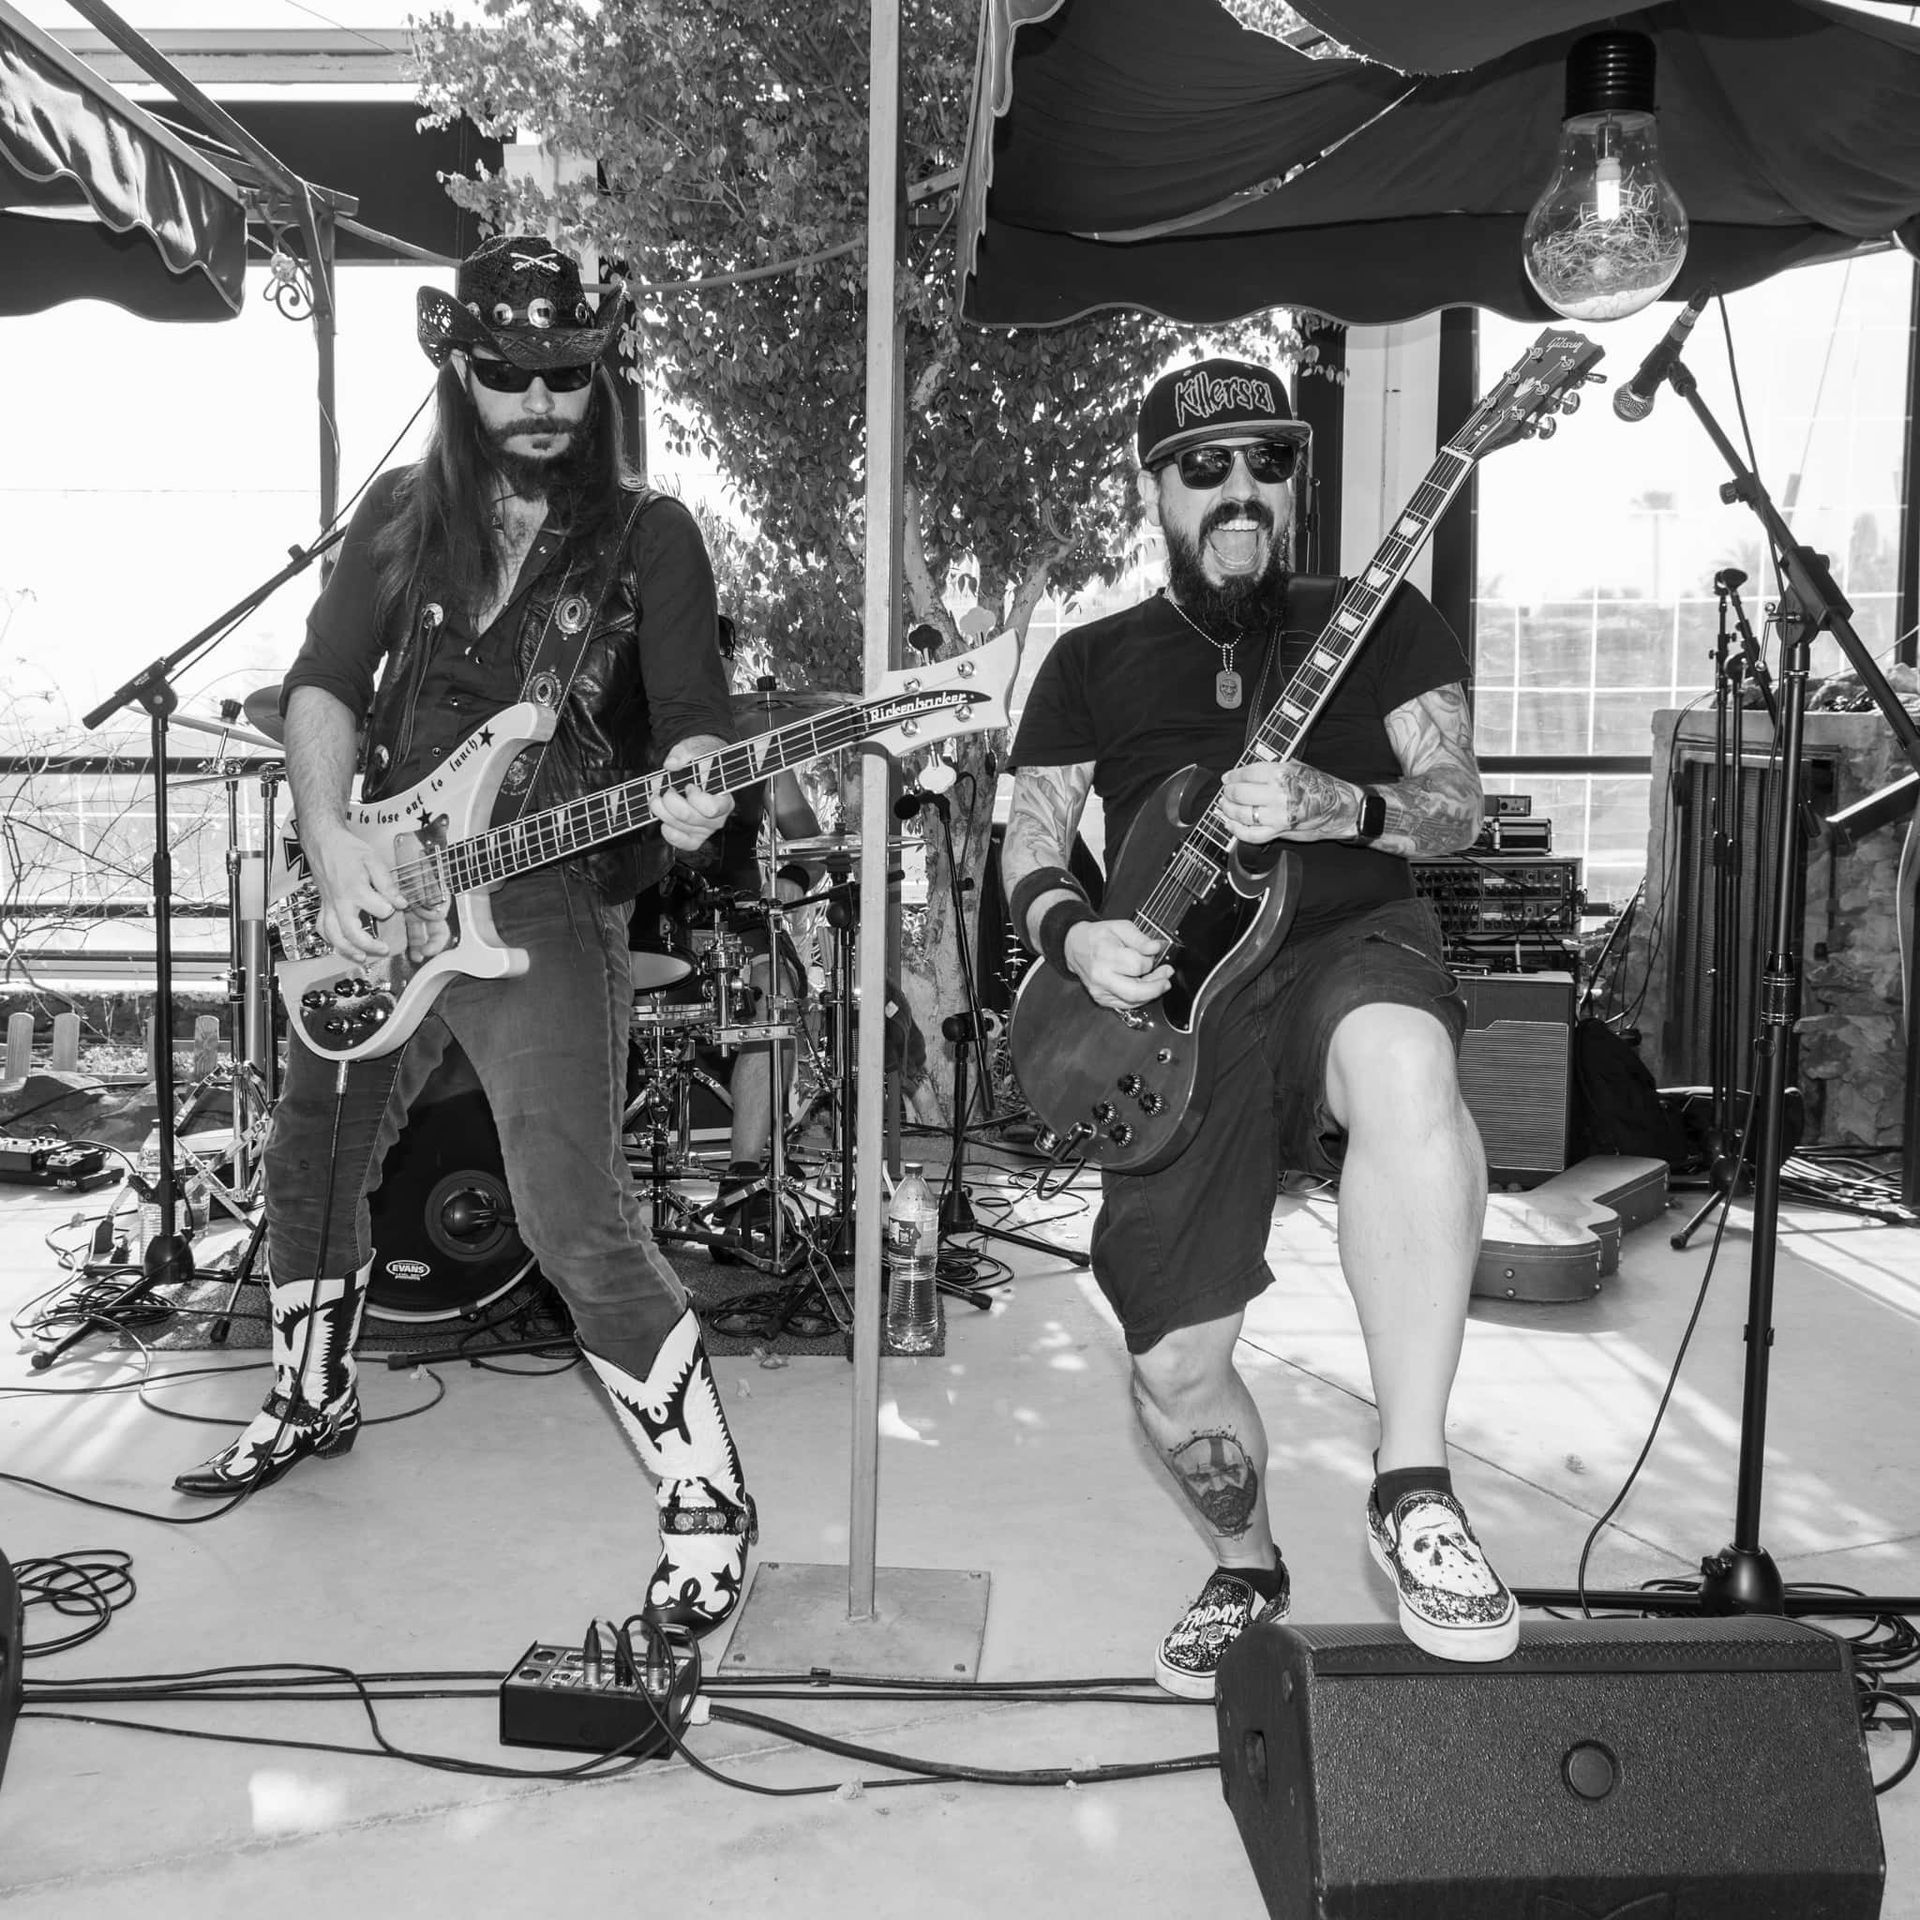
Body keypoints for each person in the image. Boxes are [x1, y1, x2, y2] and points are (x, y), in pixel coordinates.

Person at [173, 235, 757, 1637]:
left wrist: (697, 789)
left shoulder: (649, 533)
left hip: (540, 894)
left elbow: (695, 721)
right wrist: (331, 839)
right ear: (457, 371)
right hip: (377, 886)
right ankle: (309, 1393)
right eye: (509, 375)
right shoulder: (398, 513)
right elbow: (322, 683)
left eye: (568, 375)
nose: (542, 402)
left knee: (568, 1213)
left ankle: (707, 1506)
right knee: (312, 1155)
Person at [1001, 357, 1517, 1698]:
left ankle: (1414, 1490)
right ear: (1155, 489)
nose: (1240, 488)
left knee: (1404, 1060)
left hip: (1348, 941)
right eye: (1205, 465)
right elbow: (1030, 841)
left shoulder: (1376, 619)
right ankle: (1247, 1567)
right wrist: (1073, 934)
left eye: (1268, 461)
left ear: (1295, 480)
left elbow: (1456, 806)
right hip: (1174, 1005)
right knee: (1174, 1364)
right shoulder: (1090, 659)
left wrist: (1344, 807)